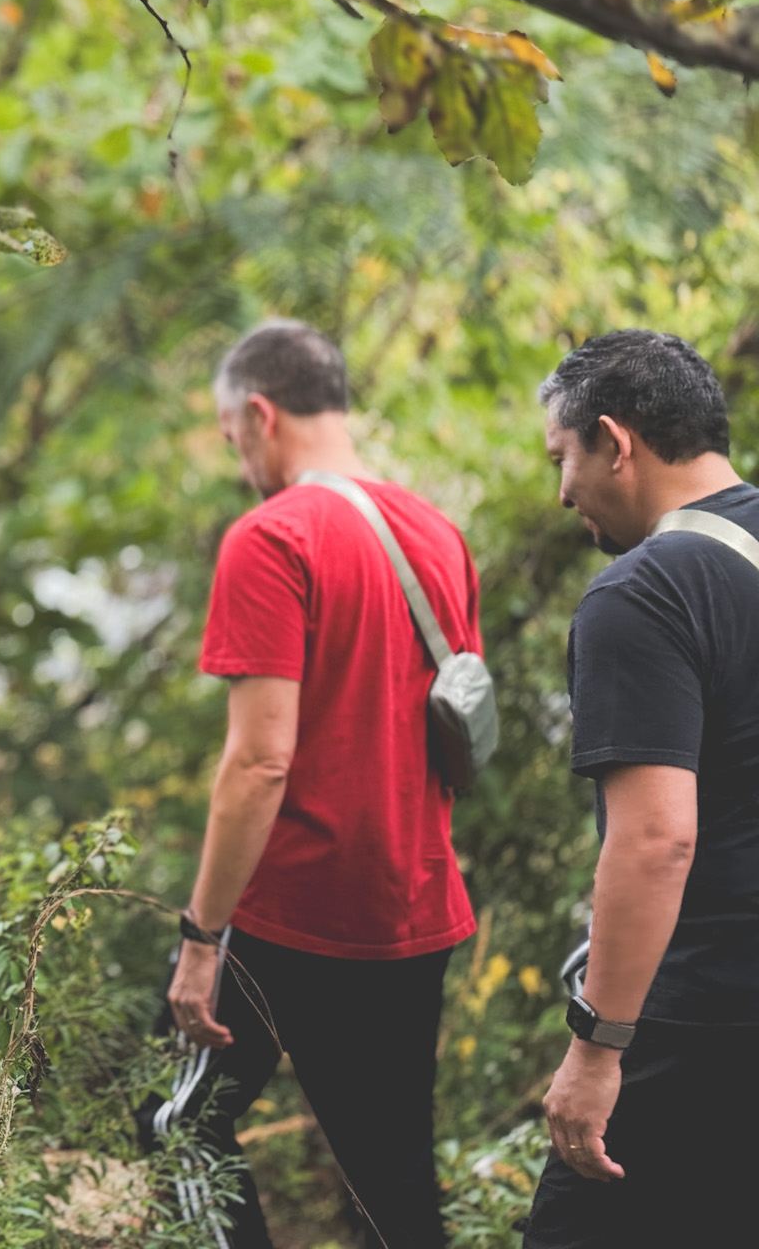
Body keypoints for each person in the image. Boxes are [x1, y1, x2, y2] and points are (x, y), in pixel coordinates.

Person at [166, 320, 478, 1249]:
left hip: (292, 912)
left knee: (177, 1124)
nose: (241, 464)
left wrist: (201, 938)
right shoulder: (438, 535)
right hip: (413, 905)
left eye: (234, 439)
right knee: (391, 1184)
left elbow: (260, 761)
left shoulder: (272, 537)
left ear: (260, 416)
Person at [522, 331, 758, 1246]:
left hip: (703, 1020)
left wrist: (598, 1047)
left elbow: (658, 839)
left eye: (564, 458)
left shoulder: (643, 591)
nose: (562, 492)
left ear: (616, 442)